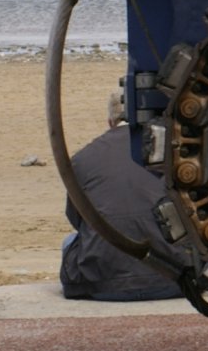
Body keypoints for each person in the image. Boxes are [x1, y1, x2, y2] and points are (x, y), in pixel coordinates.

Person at [60, 108, 181, 302]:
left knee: (69, 241)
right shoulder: (171, 151)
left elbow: (77, 218)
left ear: (110, 121)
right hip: (174, 280)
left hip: (102, 282)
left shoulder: (82, 159)